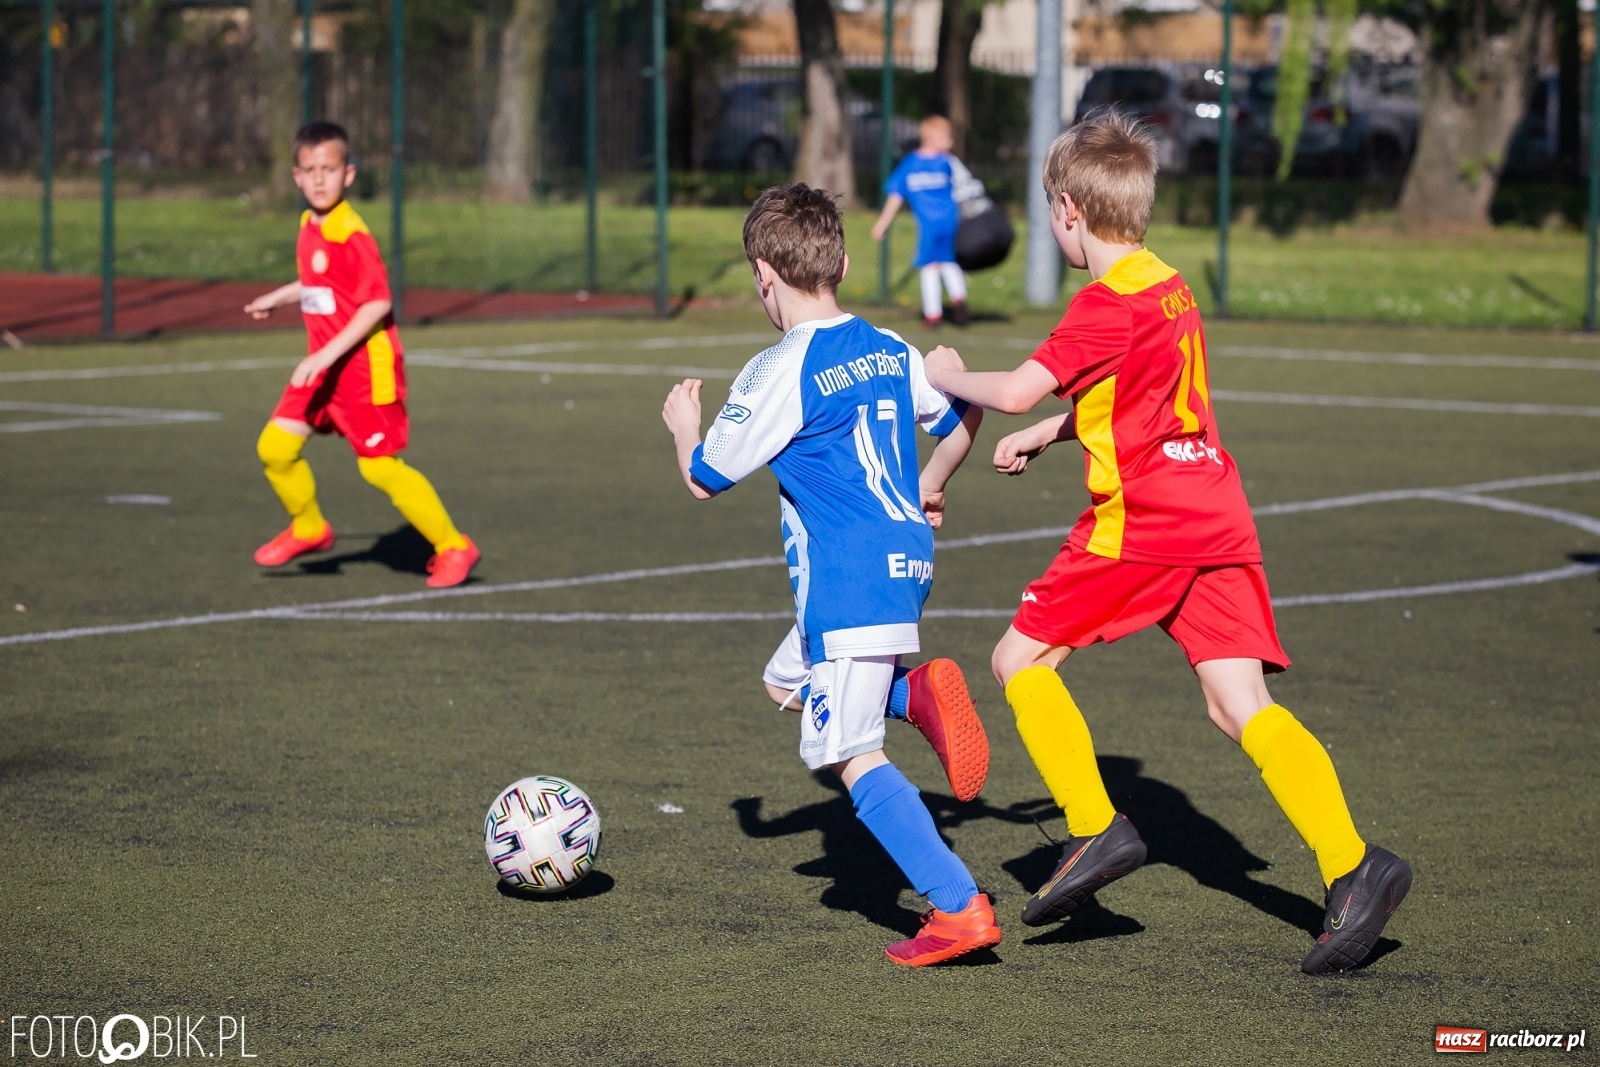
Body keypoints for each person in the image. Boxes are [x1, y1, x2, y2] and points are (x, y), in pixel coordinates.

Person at [921, 111, 1411, 975]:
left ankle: (1093, 825)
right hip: (1216, 512)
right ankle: (1353, 864)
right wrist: (1052, 434)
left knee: (1018, 660)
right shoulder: (1169, 285)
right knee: (1238, 705)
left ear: (1069, 210)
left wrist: (944, 374)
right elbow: (1142, 396)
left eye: (1049, 209)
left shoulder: (1100, 305)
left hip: (1144, 521)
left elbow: (1011, 386)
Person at [661, 183, 997, 966]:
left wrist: (684, 429)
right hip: (905, 562)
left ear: (763, 276)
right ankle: (914, 692)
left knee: (849, 755)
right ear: (842, 261)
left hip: (848, 581)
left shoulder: (780, 366)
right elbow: (959, 420)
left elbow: (706, 477)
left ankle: (958, 905)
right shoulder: (889, 346)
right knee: (787, 680)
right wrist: (932, 484)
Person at [242, 122, 479, 588]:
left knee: (378, 468)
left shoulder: (351, 232)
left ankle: (454, 545)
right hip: (326, 368)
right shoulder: (310, 223)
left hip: (364, 372)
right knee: (275, 448)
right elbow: (323, 284)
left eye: (328, 169)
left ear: (348, 174)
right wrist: (280, 297)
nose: (318, 179)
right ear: (295, 176)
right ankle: (309, 527)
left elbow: (377, 302)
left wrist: (324, 355)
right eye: (309, 170)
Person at [871, 115, 980, 330]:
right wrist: (883, 223)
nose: (950, 143)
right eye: (946, 138)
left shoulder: (922, 163)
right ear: (931, 138)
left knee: (929, 266)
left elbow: (896, 196)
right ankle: (958, 297)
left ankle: (933, 314)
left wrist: (883, 223)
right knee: (948, 261)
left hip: (931, 225)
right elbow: (896, 192)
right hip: (949, 221)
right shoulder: (941, 162)